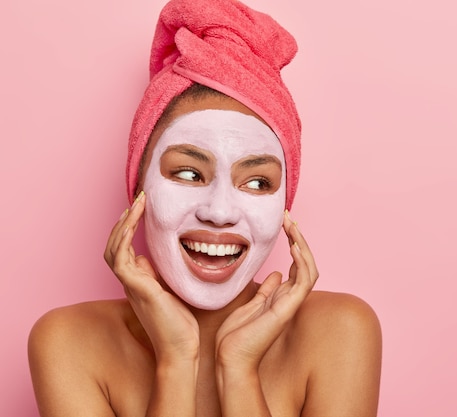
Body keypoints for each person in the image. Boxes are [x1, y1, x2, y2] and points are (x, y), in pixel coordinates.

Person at [28, 0, 382, 416]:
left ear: (284, 205)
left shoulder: (340, 333)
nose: (220, 211)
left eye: (256, 181)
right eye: (189, 174)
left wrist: (239, 368)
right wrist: (176, 360)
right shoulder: (69, 342)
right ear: (139, 189)